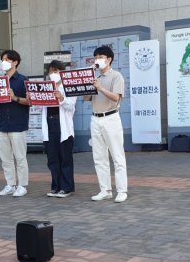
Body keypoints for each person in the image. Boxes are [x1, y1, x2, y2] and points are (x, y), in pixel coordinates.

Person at [84, 46, 129, 203]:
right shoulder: (95, 77)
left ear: (109, 59)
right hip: (95, 118)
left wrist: (100, 87)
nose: (98, 60)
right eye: (96, 57)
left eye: (101, 57)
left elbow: (116, 97)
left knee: (117, 155)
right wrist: (88, 83)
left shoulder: (116, 76)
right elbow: (86, 99)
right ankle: (105, 190)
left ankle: (122, 190)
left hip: (111, 118)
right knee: (99, 156)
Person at [0, 50, 31, 197]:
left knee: (20, 157)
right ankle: (10, 184)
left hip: (18, 125)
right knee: (5, 158)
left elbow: (29, 102)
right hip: (2, 124)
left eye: (8, 59)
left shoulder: (23, 80)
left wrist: (14, 97)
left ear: (15, 62)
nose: (5, 62)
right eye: (3, 59)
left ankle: (22, 185)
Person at [38, 60, 77, 198]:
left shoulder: (68, 86)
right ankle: (55, 186)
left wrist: (62, 98)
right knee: (52, 158)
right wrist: (33, 98)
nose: (53, 74)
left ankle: (66, 187)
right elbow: (39, 107)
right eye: (50, 71)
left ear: (62, 72)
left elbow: (71, 106)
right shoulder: (45, 87)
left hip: (63, 127)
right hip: (49, 125)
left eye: (56, 71)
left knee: (65, 158)